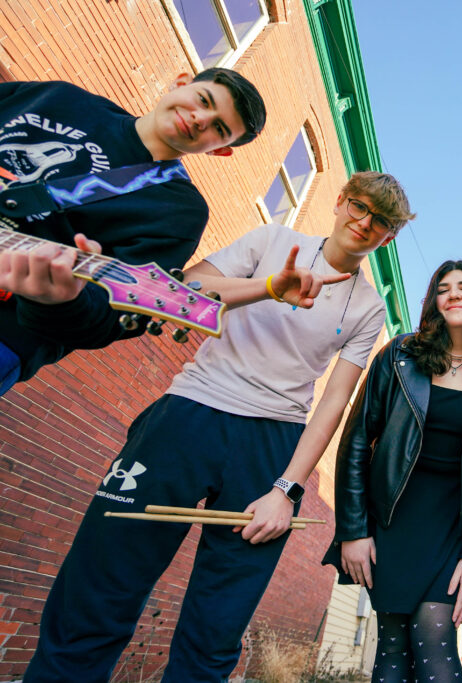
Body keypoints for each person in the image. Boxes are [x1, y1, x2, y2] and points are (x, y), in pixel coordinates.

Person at [24, 171, 415, 682]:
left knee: (217, 626)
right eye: (359, 207)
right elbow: (186, 288)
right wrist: (270, 287)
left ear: (389, 237)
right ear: (340, 203)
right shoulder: (274, 240)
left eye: (381, 222)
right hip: (190, 412)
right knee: (101, 585)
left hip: (273, 445)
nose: (365, 223)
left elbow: (333, 404)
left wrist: (286, 488)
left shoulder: (368, 307)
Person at [0, 69, 267, 394]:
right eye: (203, 100)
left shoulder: (179, 211)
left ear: (220, 150)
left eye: (220, 128)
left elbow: (104, 323)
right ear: (180, 82)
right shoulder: (62, 98)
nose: (201, 119)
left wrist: (61, 300)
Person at [324, 259, 462, 683]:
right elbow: (358, 439)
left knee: (436, 637)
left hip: (456, 527)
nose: (453, 293)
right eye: (443, 287)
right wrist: (353, 530)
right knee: (393, 646)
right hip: (393, 519)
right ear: (434, 301)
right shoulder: (399, 356)